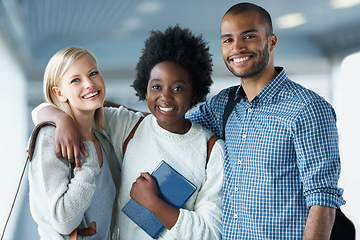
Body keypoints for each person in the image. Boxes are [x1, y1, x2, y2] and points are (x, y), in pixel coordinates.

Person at [32, 25, 224, 240]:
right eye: (156, 87)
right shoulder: (129, 126)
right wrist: (61, 118)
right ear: (145, 89)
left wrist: (154, 204)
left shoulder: (211, 151)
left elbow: (211, 233)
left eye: (178, 88)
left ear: (195, 91)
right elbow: (77, 106)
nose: (166, 97)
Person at [185, 3, 345, 240]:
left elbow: (322, 199)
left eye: (248, 36)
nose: (237, 47)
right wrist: (112, 111)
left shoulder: (307, 108)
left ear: (272, 41)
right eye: (228, 40)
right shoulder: (224, 104)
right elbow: (171, 124)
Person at [28, 47, 142, 239]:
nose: (89, 83)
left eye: (93, 73)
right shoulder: (49, 137)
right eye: (75, 80)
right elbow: (64, 222)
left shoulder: (103, 136)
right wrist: (87, 161)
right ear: (59, 92)